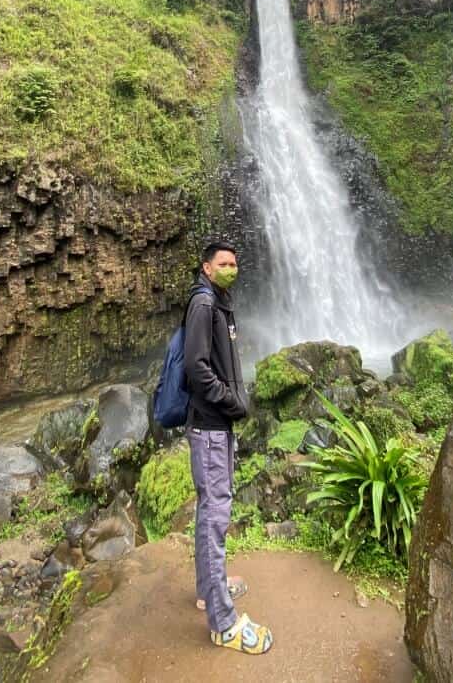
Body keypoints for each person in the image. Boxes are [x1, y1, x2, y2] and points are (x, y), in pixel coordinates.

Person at [184, 240, 273, 655]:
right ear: (207, 267)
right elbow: (196, 368)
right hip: (211, 426)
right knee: (216, 515)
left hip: (218, 426)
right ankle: (222, 621)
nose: (231, 268)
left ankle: (209, 588)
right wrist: (232, 401)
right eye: (224, 263)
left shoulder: (219, 301)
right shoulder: (204, 305)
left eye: (236, 262)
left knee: (210, 510)